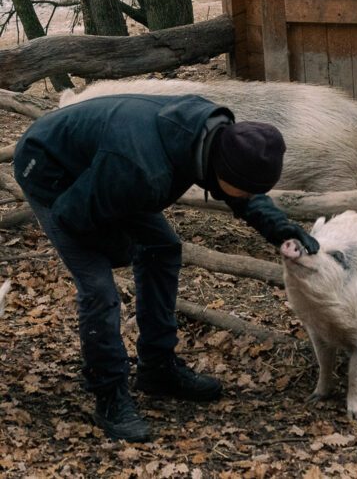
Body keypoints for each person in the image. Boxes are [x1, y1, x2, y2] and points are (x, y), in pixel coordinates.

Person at [13, 90, 320, 443]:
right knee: (99, 289)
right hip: (50, 168)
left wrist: (281, 229)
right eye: (244, 190)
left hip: (106, 164)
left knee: (162, 248)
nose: (245, 197)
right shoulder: (143, 171)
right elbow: (74, 218)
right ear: (222, 167)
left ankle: (157, 368)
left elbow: (243, 192)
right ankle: (109, 395)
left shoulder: (217, 138)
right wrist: (122, 249)